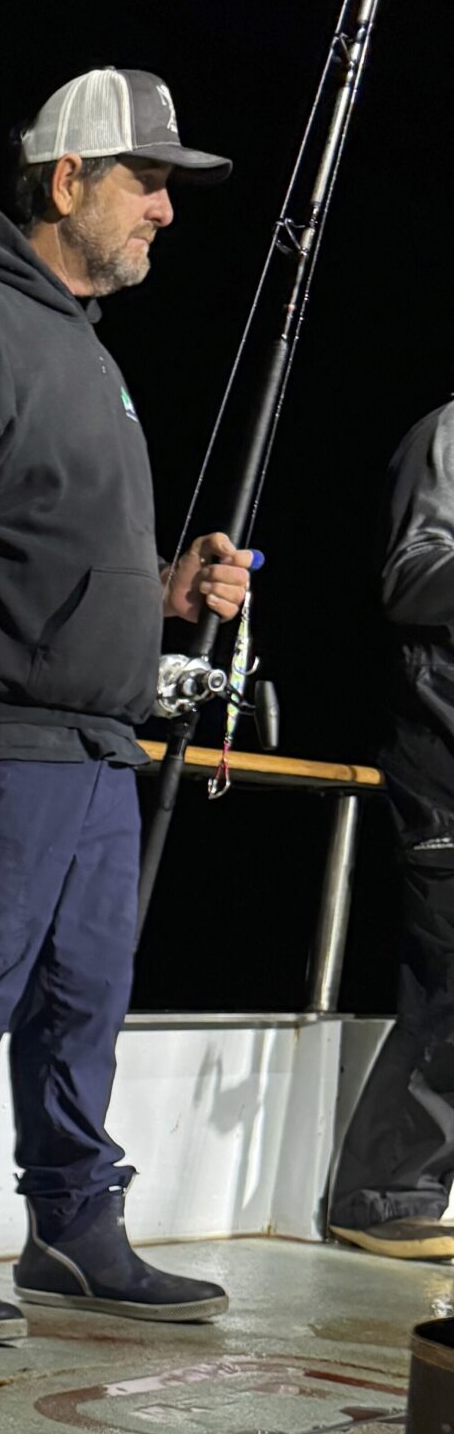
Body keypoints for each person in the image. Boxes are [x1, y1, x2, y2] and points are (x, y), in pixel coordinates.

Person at [0, 69, 256, 1343]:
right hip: (2, 736)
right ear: (68, 179)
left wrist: (169, 592)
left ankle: (75, 1224)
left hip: (98, 746)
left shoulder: (87, 352)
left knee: (88, 992)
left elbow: (53, 555)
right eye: (148, 182)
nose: (166, 212)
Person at [327, 401, 454, 1261]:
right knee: (449, 976)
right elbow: (411, 575)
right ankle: (382, 1196)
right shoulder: (449, 432)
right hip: (441, 747)